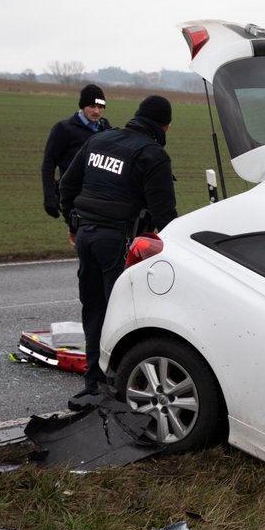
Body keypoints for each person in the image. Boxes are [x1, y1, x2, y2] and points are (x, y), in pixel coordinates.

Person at [59, 95, 178, 406]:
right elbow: (165, 216)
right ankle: (117, 386)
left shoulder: (99, 140)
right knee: (122, 313)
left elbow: (67, 186)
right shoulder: (152, 155)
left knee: (94, 308)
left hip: (86, 237)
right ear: (164, 125)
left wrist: (73, 225)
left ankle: (92, 383)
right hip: (119, 242)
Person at [41, 84, 111, 219]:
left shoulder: (106, 130)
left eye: (101, 107)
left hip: (99, 198)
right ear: (82, 106)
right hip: (73, 198)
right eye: (92, 106)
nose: (97, 111)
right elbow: (49, 163)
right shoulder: (63, 129)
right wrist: (49, 198)